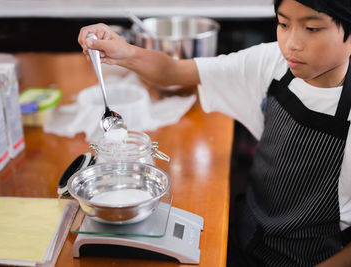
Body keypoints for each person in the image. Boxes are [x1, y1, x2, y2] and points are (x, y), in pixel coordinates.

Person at [78, 0, 351, 266]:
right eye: (283, 24)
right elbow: (174, 71)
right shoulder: (273, 62)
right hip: (246, 231)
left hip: (305, 257)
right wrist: (124, 52)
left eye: (312, 29)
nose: (292, 43)